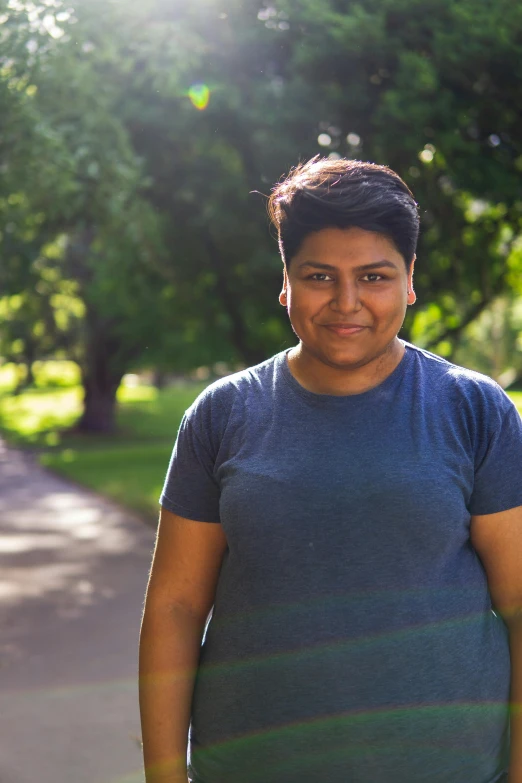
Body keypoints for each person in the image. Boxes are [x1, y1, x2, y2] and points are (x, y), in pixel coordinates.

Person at [139, 157, 522, 783]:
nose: (347, 303)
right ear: (286, 281)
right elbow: (177, 608)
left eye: (374, 276)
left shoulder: (474, 409)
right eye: (320, 276)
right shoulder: (222, 414)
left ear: (409, 279)